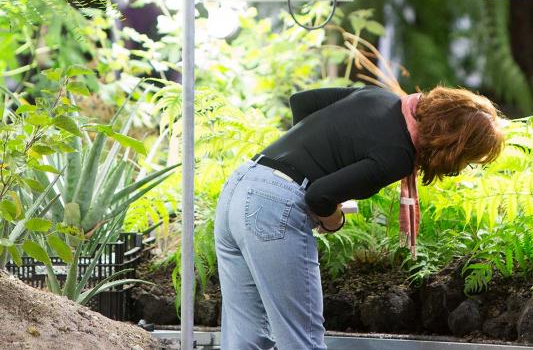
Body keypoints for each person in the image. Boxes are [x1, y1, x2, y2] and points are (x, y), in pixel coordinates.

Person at [215, 84, 505, 350]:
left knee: (245, 338)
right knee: (301, 341)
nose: (462, 167)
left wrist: (310, 157)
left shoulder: (381, 96)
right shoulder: (397, 156)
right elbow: (319, 196)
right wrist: (334, 220)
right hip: (272, 207)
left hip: (240, 185)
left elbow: (302, 101)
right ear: (453, 147)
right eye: (468, 160)